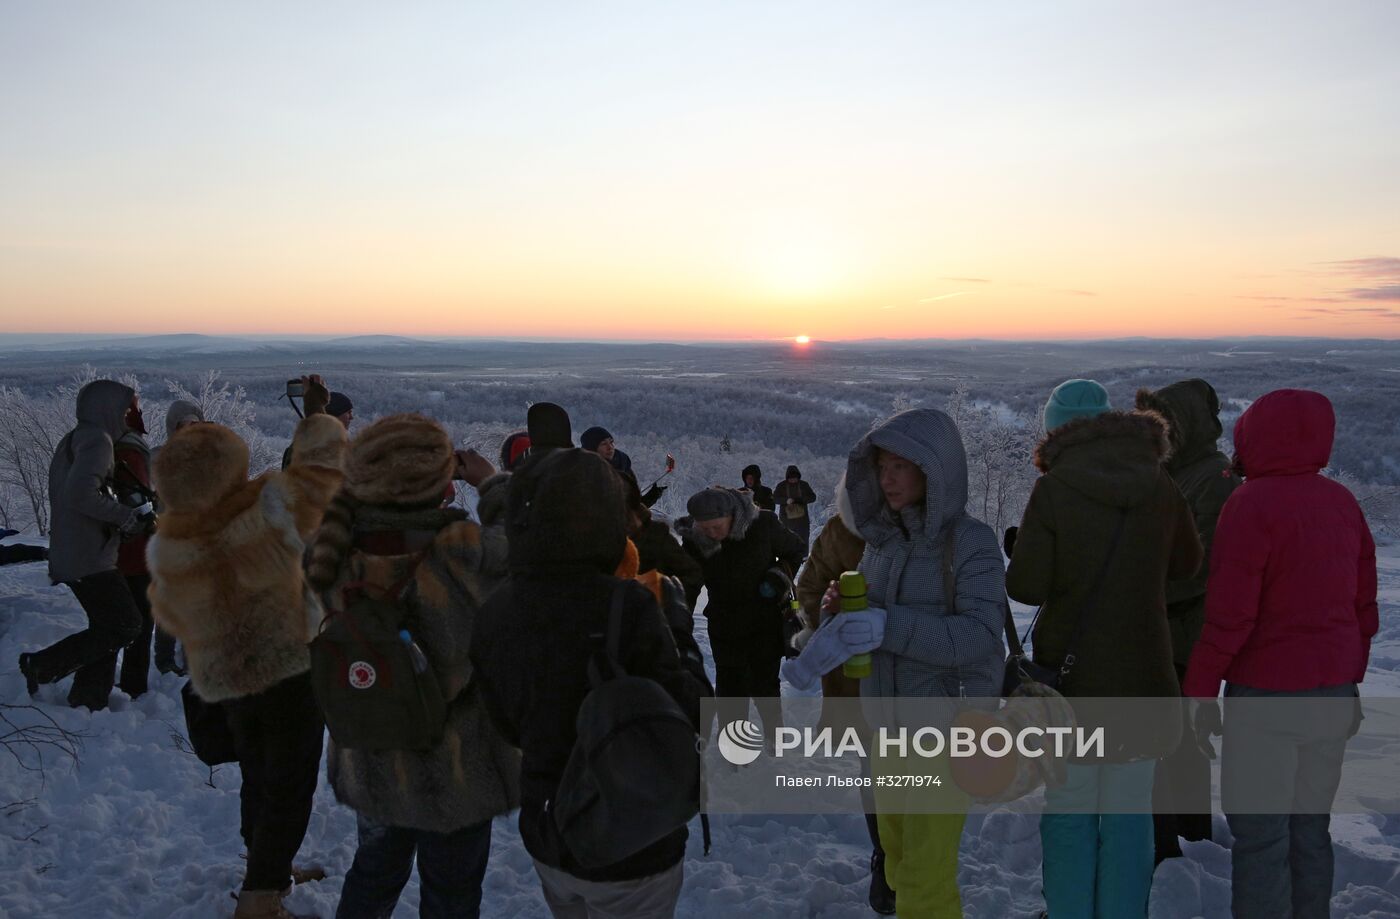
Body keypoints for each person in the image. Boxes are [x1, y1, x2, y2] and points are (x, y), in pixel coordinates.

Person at [786, 408, 1007, 918]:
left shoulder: (970, 542)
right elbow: (868, 623)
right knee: (899, 862)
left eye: (901, 466)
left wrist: (888, 624)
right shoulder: (883, 544)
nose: (887, 478)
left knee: (925, 879)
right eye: (881, 466)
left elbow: (978, 635)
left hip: (946, 732)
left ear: (936, 469)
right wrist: (838, 613)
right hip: (886, 730)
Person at [471, 448, 706, 919]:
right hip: (633, 837)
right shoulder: (626, 605)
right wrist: (678, 630)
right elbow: (694, 712)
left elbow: (506, 723)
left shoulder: (496, 608)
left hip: (549, 827)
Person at [304, 413, 520, 919]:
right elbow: (527, 544)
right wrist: (490, 481)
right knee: (452, 892)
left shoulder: (332, 551)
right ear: (440, 484)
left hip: (374, 753)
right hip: (457, 768)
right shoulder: (461, 551)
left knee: (373, 875)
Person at [148, 375, 347, 919]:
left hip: (227, 676)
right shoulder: (265, 507)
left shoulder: (170, 540)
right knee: (291, 778)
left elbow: (169, 614)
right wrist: (316, 414)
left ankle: (268, 869)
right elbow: (323, 475)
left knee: (259, 772)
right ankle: (260, 898)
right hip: (284, 666)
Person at [1006, 379, 1202, 919]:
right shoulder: (1159, 483)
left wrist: (1026, 545)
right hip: (1144, 679)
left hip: (1073, 689)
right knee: (1129, 814)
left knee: (1069, 809)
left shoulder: (1055, 488)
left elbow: (1025, 586)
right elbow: (1187, 564)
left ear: (1056, 431)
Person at [1183, 389, 1377, 919]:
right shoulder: (1341, 502)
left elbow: (1230, 616)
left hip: (1267, 698)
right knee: (1310, 830)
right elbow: (1363, 607)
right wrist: (1348, 681)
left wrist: (1198, 691)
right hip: (1332, 695)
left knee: (1263, 838)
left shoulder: (1249, 505)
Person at [1135, 380, 1242, 862]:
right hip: (1161, 629)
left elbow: (1202, 564)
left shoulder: (1215, 477)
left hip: (1184, 634)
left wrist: (1137, 585)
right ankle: (1171, 837)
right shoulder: (1169, 473)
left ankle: (1191, 843)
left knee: (1184, 744)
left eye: (1167, 424)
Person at [791, 473, 891, 914]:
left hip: (916, 674)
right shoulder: (838, 532)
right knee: (876, 770)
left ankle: (910, 858)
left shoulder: (927, 532)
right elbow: (808, 587)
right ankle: (885, 858)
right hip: (860, 679)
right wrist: (831, 613)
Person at [18, 380, 150, 710]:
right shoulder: (97, 441)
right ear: (108, 409)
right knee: (126, 624)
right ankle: (43, 666)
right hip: (87, 556)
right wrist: (124, 516)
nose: (131, 413)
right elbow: (79, 494)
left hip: (79, 552)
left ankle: (89, 698)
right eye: (127, 407)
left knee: (107, 627)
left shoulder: (75, 438)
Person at [676, 485, 806, 734]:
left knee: (765, 684)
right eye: (705, 529)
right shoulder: (696, 541)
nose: (712, 534)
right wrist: (679, 618)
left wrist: (779, 576)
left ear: (733, 516)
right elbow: (688, 581)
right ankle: (734, 751)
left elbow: (797, 549)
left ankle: (773, 738)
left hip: (764, 621)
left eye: (717, 527)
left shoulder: (763, 524)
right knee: (730, 688)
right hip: (724, 624)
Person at [110, 394, 159, 696]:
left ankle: (121, 681)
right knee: (139, 621)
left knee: (126, 620)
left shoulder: (112, 445)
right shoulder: (130, 450)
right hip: (135, 551)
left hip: (122, 549)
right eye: (137, 406)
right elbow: (137, 502)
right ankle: (133, 684)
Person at [772, 465, 818, 547]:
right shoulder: (781, 486)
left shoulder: (804, 485)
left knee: (802, 542)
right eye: (791, 478)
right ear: (787, 477)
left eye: (795, 477)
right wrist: (786, 500)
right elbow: (775, 499)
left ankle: (803, 558)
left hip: (802, 521)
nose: (793, 480)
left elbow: (813, 497)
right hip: (786, 520)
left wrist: (800, 500)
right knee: (786, 542)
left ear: (798, 477)